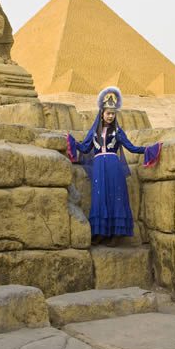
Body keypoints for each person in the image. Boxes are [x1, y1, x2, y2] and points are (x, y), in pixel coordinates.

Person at [67, 87, 162, 246]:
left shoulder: (118, 131)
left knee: (114, 198)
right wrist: (71, 142)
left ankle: (116, 235)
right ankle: (101, 233)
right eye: (108, 113)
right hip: (98, 167)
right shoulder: (94, 132)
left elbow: (131, 147)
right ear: (102, 113)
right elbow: (84, 148)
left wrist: (149, 150)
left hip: (113, 167)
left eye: (113, 113)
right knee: (100, 198)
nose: (110, 116)